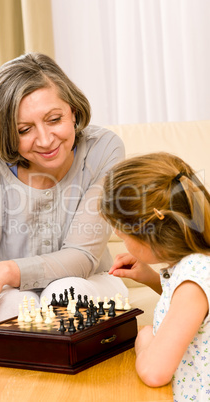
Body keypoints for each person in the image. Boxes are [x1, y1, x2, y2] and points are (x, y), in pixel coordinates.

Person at [0, 52, 128, 346]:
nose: (45, 140)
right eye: (24, 130)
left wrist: (2, 270)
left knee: (64, 295)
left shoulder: (103, 149)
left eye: (54, 119)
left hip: (87, 281)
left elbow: (82, 256)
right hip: (13, 295)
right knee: (16, 306)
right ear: (6, 133)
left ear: (74, 112)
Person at [100, 151, 210, 401]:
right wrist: (151, 278)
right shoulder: (195, 266)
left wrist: (145, 341)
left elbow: (155, 373)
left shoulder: (194, 279)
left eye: (122, 234)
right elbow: (193, 312)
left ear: (146, 232)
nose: (120, 239)